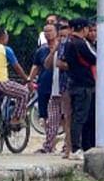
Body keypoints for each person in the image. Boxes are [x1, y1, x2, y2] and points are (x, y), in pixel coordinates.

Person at [62, 18, 98, 158]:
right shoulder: (82, 43)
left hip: (73, 84)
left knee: (77, 117)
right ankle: (76, 149)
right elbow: (95, 58)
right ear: (83, 29)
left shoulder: (68, 43)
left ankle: (77, 146)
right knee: (80, 118)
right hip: (84, 85)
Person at [43, 22, 73, 156]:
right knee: (52, 119)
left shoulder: (71, 49)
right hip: (55, 89)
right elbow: (47, 65)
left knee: (67, 118)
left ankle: (68, 145)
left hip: (67, 88)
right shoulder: (55, 50)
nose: (62, 39)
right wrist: (54, 50)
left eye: (65, 36)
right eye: (60, 36)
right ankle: (49, 145)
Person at [0, 28, 30, 124]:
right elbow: (16, 66)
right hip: (1, 82)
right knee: (24, 92)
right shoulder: (6, 49)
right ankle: (16, 119)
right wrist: (26, 78)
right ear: (3, 37)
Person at [29, 24, 57, 153]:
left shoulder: (62, 48)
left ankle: (57, 144)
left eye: (50, 31)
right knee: (45, 116)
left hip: (58, 86)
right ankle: (50, 142)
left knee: (59, 116)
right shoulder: (41, 50)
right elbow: (36, 67)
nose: (48, 33)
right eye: (46, 31)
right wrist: (29, 80)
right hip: (44, 85)